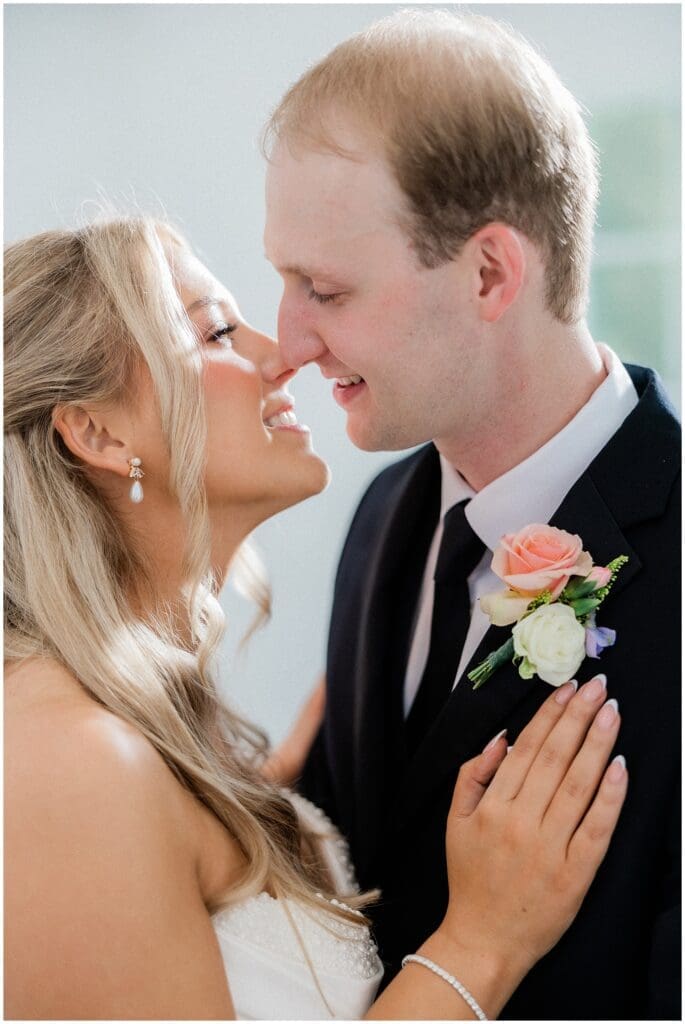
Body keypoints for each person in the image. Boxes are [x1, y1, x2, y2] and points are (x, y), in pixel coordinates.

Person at [4, 216, 627, 1020]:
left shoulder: (142, 737)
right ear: (95, 429)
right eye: (216, 332)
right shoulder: (74, 766)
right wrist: (482, 942)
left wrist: (263, 807)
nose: (283, 353)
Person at [262, 9, 681, 1019]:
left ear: (490, 273)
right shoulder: (380, 516)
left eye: (325, 289)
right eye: (286, 281)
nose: (288, 342)